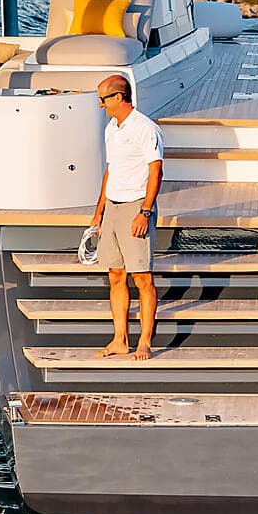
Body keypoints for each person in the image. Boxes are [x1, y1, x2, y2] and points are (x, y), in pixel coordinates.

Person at [89, 74, 163, 360]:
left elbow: (156, 171)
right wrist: (99, 211)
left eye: (103, 99)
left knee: (142, 277)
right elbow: (111, 169)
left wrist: (145, 211)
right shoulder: (111, 128)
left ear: (119, 97)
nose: (100, 105)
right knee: (115, 274)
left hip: (136, 207)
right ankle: (120, 339)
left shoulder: (145, 128)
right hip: (113, 208)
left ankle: (144, 341)